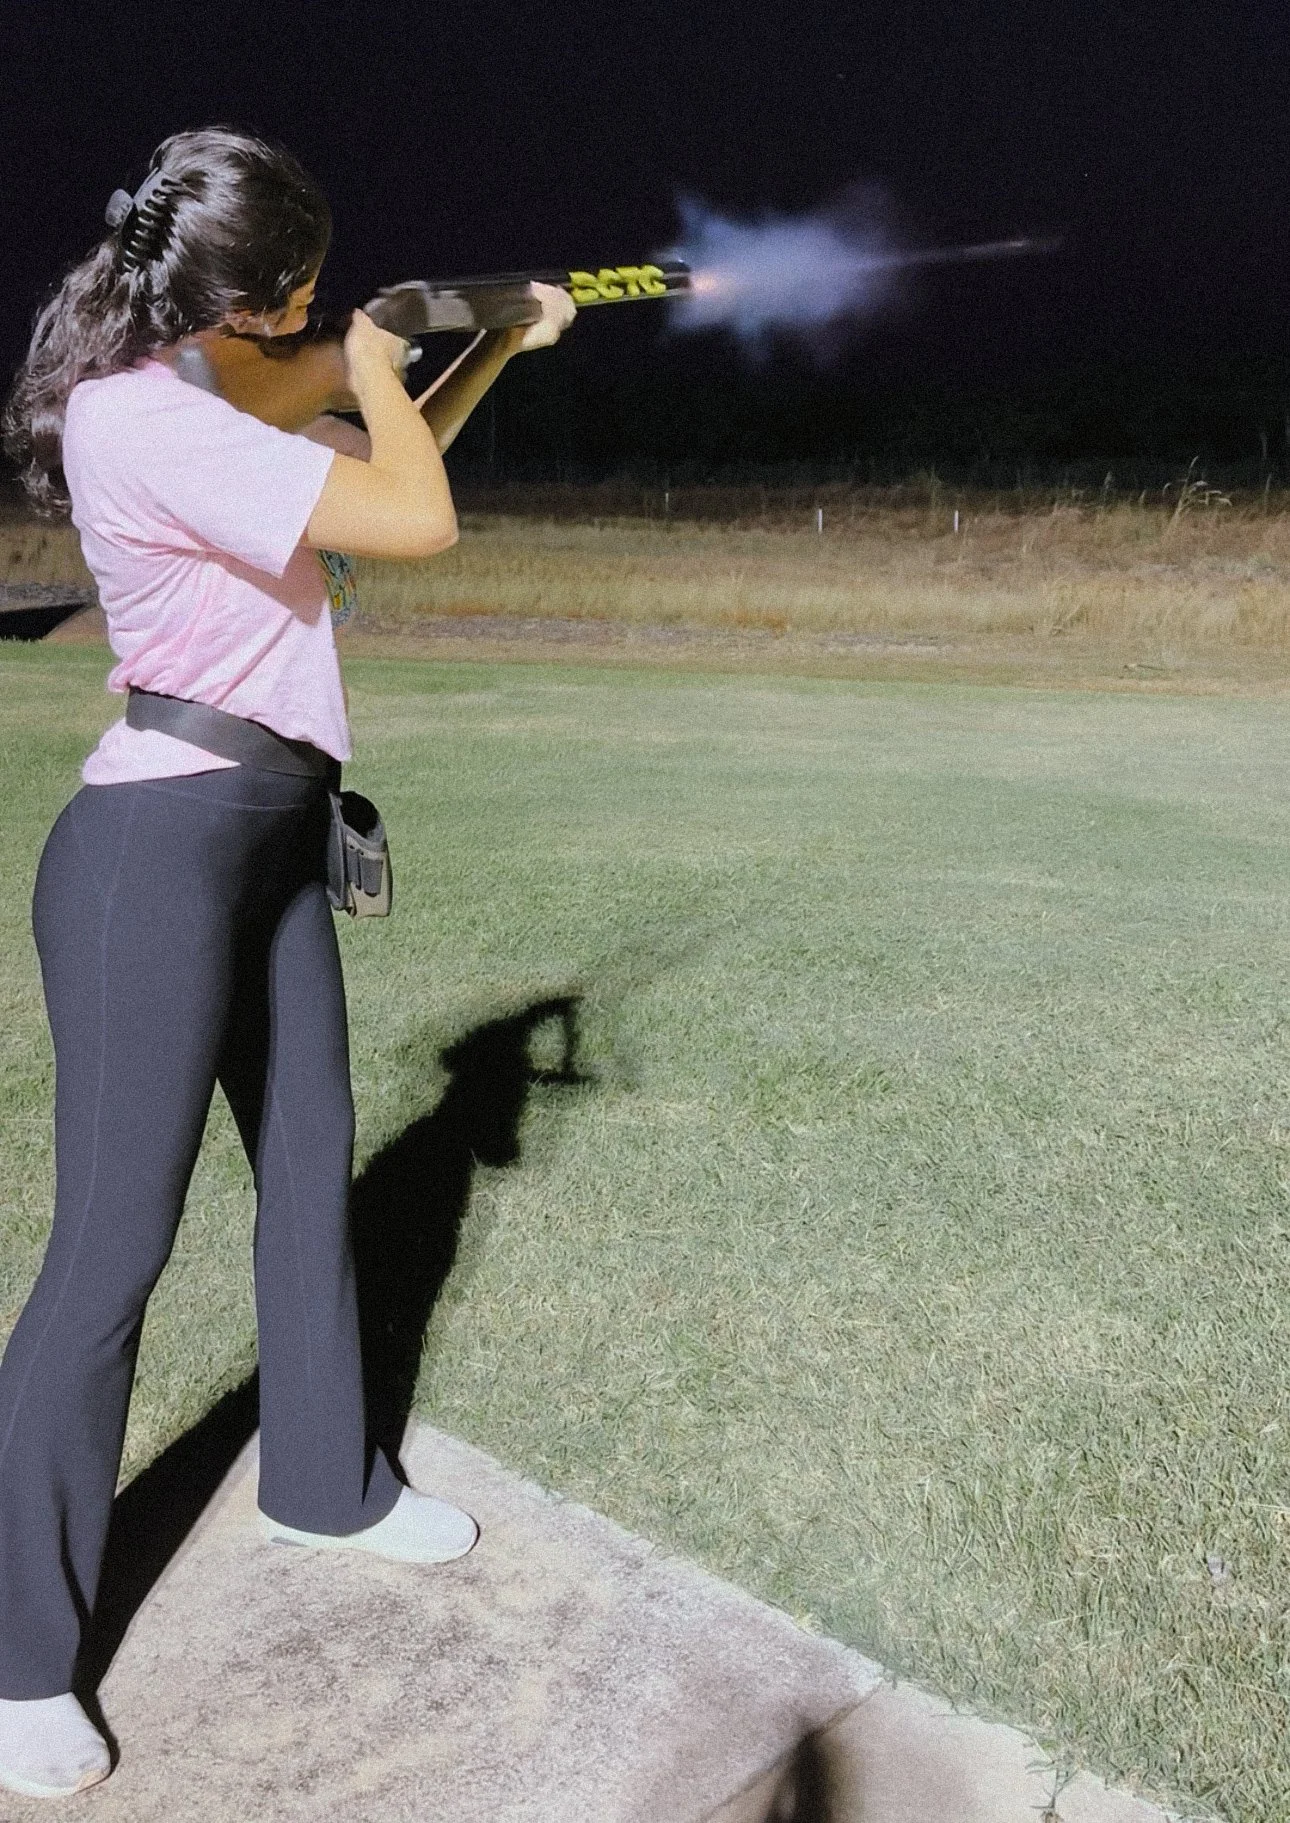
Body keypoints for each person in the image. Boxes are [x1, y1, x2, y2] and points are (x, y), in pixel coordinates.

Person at [0, 125, 574, 1800]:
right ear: (241, 296)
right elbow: (416, 520)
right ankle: (18, 1654)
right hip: (152, 858)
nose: (321, 313)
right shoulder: (142, 415)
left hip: (267, 840)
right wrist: (396, 361)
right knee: (111, 1255)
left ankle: (326, 1481)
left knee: (309, 1168)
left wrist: (477, 353)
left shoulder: (213, 400)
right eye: (306, 295)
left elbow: (374, 471)